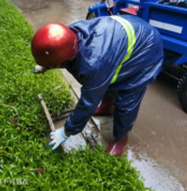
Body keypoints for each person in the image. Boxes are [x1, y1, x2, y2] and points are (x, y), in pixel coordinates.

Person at [35, 15, 163, 157]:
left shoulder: (94, 63)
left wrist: (66, 131)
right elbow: (61, 56)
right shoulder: (70, 35)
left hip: (147, 49)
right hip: (128, 33)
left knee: (127, 100)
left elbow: (88, 102)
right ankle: (106, 107)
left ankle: (121, 139)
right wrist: (46, 66)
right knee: (106, 80)